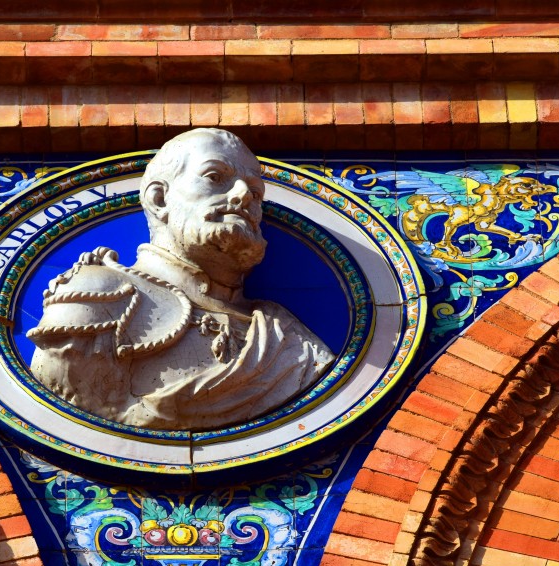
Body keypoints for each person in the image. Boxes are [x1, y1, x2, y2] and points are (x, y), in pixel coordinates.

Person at [27, 128, 334, 430]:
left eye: (255, 192)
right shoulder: (99, 295)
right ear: (159, 199)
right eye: (215, 178)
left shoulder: (289, 338)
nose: (243, 196)